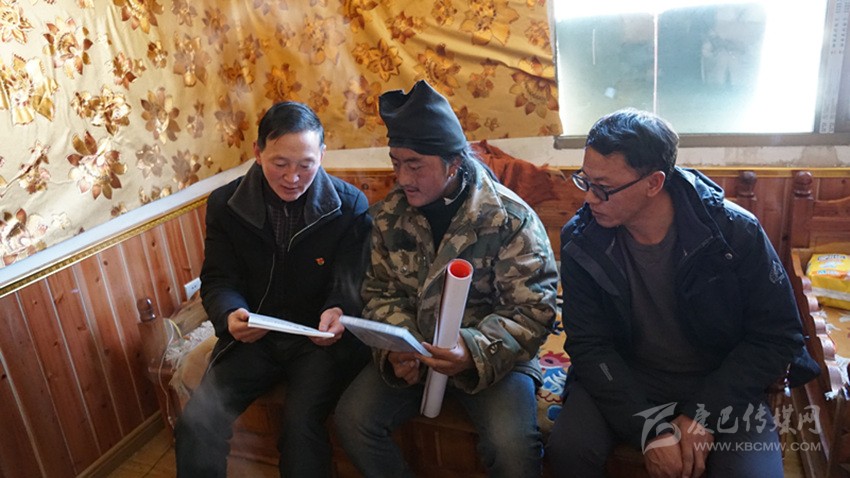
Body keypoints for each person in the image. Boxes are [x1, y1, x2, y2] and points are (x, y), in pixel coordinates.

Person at [546, 108, 814, 478]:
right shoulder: (582, 239)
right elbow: (589, 345)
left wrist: (703, 414)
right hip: (625, 376)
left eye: (603, 187)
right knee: (567, 451)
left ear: (654, 183)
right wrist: (649, 431)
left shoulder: (733, 233)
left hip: (719, 377)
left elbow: (778, 336)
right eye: (584, 181)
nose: (590, 198)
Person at [333, 80, 559, 477]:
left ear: (453, 163)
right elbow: (379, 291)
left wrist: (470, 351)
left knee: (513, 448)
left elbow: (532, 311)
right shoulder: (388, 217)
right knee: (353, 420)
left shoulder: (508, 219)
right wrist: (397, 350)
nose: (403, 178)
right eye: (396, 163)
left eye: (415, 165)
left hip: (493, 358)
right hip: (417, 351)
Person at [174, 101, 372, 478]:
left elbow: (353, 281)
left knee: (301, 430)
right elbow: (219, 278)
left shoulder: (348, 206)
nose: (293, 177)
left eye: (306, 165)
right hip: (256, 336)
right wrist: (230, 314)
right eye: (280, 163)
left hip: (317, 341)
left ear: (322, 155)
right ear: (257, 152)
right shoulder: (227, 204)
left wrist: (338, 309)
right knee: (198, 421)